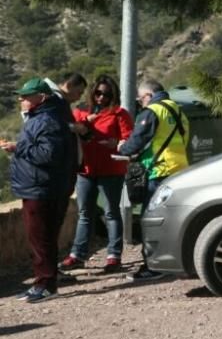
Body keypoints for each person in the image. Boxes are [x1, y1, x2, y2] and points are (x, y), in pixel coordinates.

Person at [1, 78, 76, 303]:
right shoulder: (46, 116)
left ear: (41, 97)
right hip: (42, 186)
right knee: (43, 238)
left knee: (41, 238)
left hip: (41, 188)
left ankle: (45, 284)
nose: (21, 100)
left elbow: (48, 155)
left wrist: (19, 148)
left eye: (26, 96)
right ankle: (42, 281)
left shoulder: (47, 120)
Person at [116, 79, 189, 282]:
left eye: (140, 99)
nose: (140, 103)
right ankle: (175, 262)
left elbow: (137, 139)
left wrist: (122, 148)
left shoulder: (153, 111)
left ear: (148, 95)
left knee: (151, 221)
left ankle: (153, 266)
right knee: (172, 219)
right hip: (180, 169)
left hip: (159, 171)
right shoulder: (178, 110)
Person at [59, 75, 134, 274]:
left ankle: (113, 256)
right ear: (93, 93)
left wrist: (115, 144)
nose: (101, 97)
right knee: (85, 213)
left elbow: (129, 140)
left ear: (113, 95)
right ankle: (78, 255)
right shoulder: (84, 111)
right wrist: (86, 119)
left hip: (111, 171)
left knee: (111, 213)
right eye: (98, 93)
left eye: (106, 94)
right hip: (86, 170)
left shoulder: (120, 114)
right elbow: (72, 122)